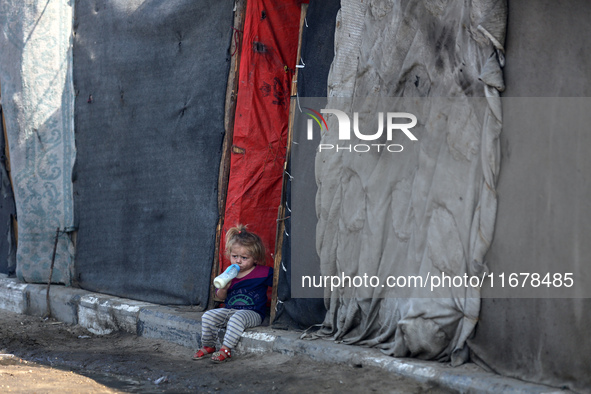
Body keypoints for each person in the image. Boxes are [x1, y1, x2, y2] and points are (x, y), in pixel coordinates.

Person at [192, 224, 273, 363]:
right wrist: (224, 287)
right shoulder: (228, 273)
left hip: (253, 313)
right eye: (235, 256)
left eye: (244, 258)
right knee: (207, 316)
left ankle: (225, 349)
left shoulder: (264, 272)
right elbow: (220, 297)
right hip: (230, 310)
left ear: (255, 258)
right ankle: (209, 345)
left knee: (237, 319)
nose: (238, 261)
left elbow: (279, 287)